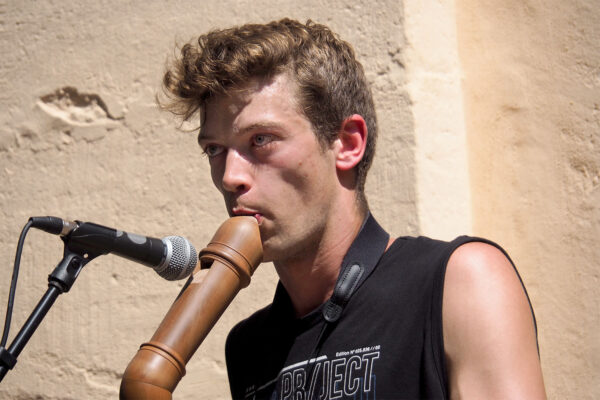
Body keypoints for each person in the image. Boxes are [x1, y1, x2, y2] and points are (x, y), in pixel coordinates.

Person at [160, 18, 546, 399]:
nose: (230, 176)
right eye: (214, 149)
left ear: (347, 144)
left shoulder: (462, 280)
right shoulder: (247, 346)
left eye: (261, 139)